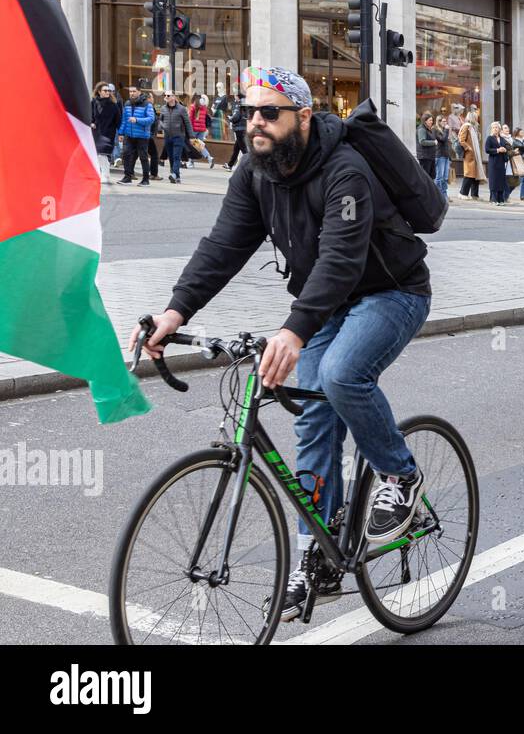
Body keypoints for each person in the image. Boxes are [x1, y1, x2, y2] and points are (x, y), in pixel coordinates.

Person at [130, 65, 433, 622]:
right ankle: (311, 556)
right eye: (249, 113)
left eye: (270, 112)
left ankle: (400, 475)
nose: (256, 123)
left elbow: (342, 260)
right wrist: (176, 312)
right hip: (326, 304)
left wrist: (293, 332)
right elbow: (223, 245)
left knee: (342, 375)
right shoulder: (254, 173)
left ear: (302, 116)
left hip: (392, 293)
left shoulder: (346, 168)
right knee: (313, 418)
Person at [116, 86, 156, 186]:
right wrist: (121, 133)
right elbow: (124, 120)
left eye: (134, 91)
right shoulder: (127, 103)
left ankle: (146, 179)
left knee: (143, 157)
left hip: (142, 135)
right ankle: (127, 177)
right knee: (126, 154)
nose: (132, 93)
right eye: (130, 92)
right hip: (129, 135)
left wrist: (137, 120)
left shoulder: (147, 104)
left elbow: (151, 119)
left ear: (139, 92)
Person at [157, 91, 196, 184]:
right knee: (170, 156)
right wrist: (162, 126)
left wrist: (191, 136)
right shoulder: (163, 108)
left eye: (168, 95)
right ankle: (176, 176)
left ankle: (174, 174)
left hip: (179, 136)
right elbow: (161, 120)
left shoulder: (181, 109)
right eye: (165, 95)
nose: (166, 97)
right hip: (167, 136)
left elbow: (187, 123)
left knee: (176, 156)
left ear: (174, 97)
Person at [90, 82, 121, 184]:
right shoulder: (94, 102)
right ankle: (103, 174)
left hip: (108, 132)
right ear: (99, 92)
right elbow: (90, 115)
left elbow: (118, 120)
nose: (108, 92)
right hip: (96, 131)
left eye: (109, 91)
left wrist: (120, 133)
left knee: (102, 153)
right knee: (98, 154)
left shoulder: (113, 105)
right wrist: (91, 122)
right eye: (105, 90)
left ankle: (105, 175)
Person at [457, 107, 484, 200]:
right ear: (472, 118)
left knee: (475, 175)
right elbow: (461, 139)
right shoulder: (466, 126)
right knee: (469, 174)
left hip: (475, 155)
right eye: (475, 117)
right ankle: (462, 193)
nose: (477, 119)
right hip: (469, 154)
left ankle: (474, 194)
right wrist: (468, 147)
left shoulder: (474, 128)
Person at [485, 121, 511, 206]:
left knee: (501, 181)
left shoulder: (502, 139)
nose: (495, 129)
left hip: (501, 162)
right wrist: (497, 150)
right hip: (493, 162)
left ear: (499, 129)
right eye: (494, 127)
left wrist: (504, 149)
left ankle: (500, 199)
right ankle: (493, 199)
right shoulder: (489, 138)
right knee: (494, 181)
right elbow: (487, 149)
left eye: (497, 127)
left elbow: (508, 148)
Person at [189, 95, 216, 168]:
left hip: (194, 130)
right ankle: (209, 157)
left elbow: (190, 119)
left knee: (193, 145)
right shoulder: (204, 108)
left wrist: (189, 129)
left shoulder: (193, 107)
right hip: (202, 130)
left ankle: (191, 162)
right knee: (199, 146)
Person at [415, 111, 438, 183]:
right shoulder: (421, 129)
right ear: (425, 121)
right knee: (425, 177)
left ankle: (430, 193)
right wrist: (433, 142)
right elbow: (422, 141)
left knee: (432, 176)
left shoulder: (428, 129)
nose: (432, 122)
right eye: (430, 120)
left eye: (432, 120)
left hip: (430, 156)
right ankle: (425, 193)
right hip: (425, 157)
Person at [432, 116, 452, 197]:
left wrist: (449, 157)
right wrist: (447, 130)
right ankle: (438, 195)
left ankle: (444, 194)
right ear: (439, 122)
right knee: (439, 177)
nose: (445, 123)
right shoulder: (435, 130)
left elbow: (446, 144)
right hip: (439, 156)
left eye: (446, 121)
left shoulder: (443, 130)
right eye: (443, 121)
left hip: (446, 156)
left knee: (445, 177)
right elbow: (442, 140)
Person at [511, 127, 524, 201]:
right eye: (521, 132)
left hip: (523, 161)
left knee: (523, 179)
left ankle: (523, 196)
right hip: (518, 161)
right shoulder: (515, 141)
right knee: (520, 179)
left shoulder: (521, 140)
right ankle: (507, 193)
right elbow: (522, 146)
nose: (523, 133)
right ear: (517, 133)